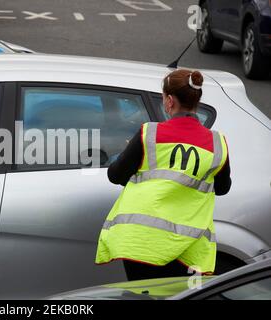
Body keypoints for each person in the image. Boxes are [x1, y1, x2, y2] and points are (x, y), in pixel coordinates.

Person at [95, 69, 232, 281]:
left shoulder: (149, 134)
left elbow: (115, 175)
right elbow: (223, 188)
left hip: (141, 243)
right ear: (196, 100)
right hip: (187, 247)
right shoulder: (217, 143)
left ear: (169, 101)